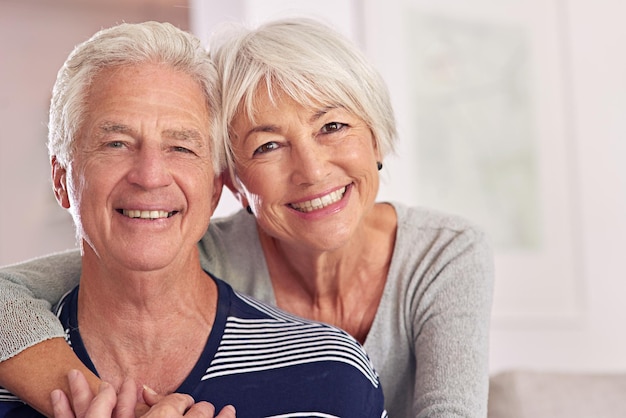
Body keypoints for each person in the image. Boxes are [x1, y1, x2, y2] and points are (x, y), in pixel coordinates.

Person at [0, 17, 494, 418]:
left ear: (377, 136)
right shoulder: (196, 245)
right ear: (231, 181)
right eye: (269, 145)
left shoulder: (444, 253)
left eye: (334, 125)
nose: (313, 170)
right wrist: (90, 402)